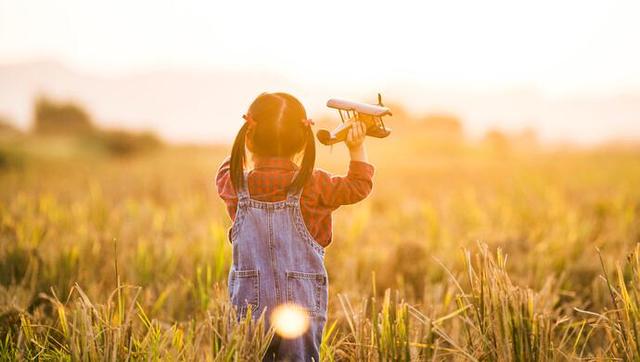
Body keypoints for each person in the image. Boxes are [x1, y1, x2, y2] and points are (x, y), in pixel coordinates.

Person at [216, 92, 374, 361]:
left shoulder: (233, 183)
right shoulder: (314, 185)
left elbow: (228, 167)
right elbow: (358, 186)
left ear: (249, 135)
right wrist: (356, 146)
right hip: (301, 308)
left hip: (249, 309)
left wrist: (249, 137)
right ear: (303, 139)